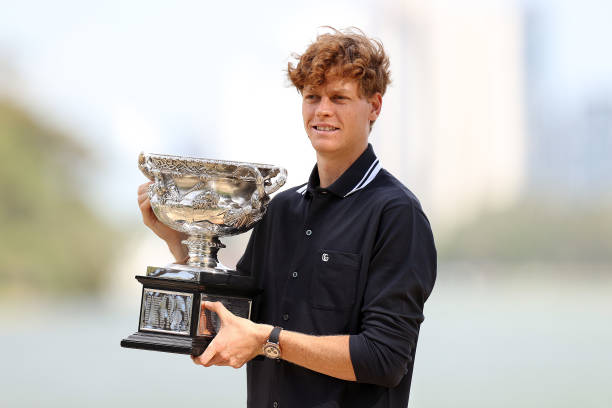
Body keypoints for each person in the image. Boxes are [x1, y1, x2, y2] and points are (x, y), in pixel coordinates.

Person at [137, 27, 436, 408]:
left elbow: (384, 358)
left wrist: (266, 341)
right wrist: (176, 237)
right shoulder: (280, 209)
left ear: (374, 106)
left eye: (339, 98)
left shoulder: (397, 215)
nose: (322, 110)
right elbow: (232, 313)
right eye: (312, 97)